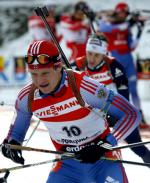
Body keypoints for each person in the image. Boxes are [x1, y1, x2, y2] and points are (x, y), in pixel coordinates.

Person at [1, 40, 142, 182]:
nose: (39, 81)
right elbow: (15, 135)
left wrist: (106, 144)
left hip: (104, 159)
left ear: (58, 67)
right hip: (67, 165)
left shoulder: (83, 87)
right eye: (33, 74)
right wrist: (11, 145)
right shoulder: (27, 97)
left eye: (45, 73)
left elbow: (131, 114)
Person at [72, 33, 150, 165]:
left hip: (113, 110)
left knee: (137, 147)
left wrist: (116, 116)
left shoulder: (114, 66)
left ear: (104, 54)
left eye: (97, 55)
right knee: (88, 151)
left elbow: (124, 96)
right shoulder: (76, 66)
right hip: (90, 114)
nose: (92, 58)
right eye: (89, 53)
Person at [97, 2, 147, 126]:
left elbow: (132, 46)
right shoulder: (108, 24)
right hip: (116, 63)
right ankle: (122, 116)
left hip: (128, 61)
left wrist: (139, 31)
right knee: (119, 91)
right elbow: (102, 28)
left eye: (125, 13)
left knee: (134, 90)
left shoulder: (126, 28)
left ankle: (140, 116)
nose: (124, 15)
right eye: (122, 13)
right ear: (117, 12)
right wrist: (125, 24)